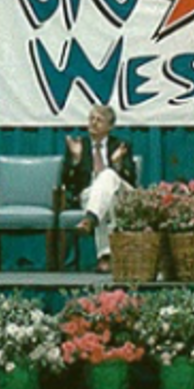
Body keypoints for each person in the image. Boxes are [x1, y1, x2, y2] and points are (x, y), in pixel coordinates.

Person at [60, 105, 137, 273]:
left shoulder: (121, 145)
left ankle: (91, 221)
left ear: (110, 126)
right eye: (91, 119)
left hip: (121, 193)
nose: (93, 123)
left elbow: (131, 179)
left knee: (108, 175)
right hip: (90, 195)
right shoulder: (79, 145)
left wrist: (117, 163)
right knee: (104, 202)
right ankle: (107, 256)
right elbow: (66, 181)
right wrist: (76, 160)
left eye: (99, 120)